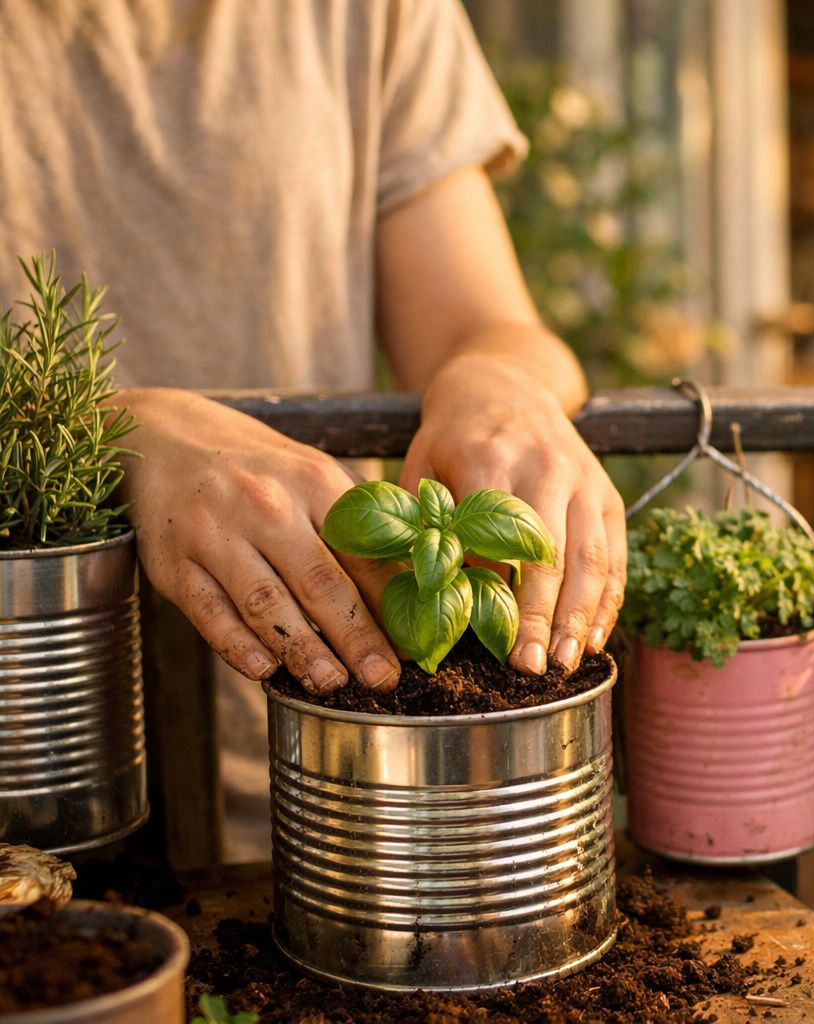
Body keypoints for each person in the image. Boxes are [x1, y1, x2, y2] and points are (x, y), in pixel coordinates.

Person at [0, 0, 626, 857]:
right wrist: (114, 428)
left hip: (328, 786)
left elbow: (480, 321)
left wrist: (501, 380)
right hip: (32, 793)